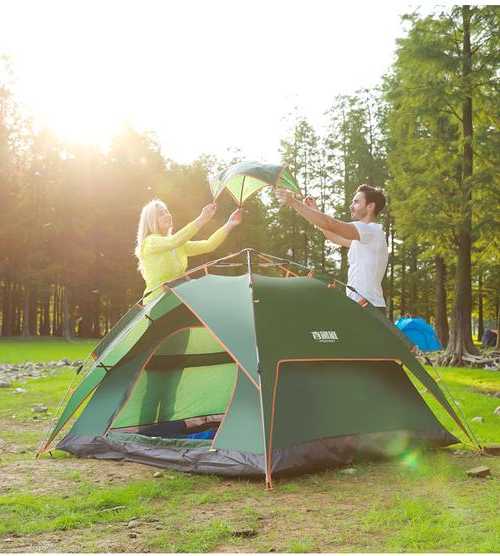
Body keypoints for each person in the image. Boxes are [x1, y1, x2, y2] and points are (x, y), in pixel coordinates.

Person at [276, 184, 388, 311]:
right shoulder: (364, 238)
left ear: (370, 206)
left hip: (369, 307)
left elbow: (330, 224)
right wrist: (315, 211)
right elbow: (332, 236)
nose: (351, 206)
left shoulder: (370, 231)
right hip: (360, 306)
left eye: (356, 202)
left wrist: (293, 202)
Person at [135, 199, 241, 303]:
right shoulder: (150, 242)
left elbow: (208, 245)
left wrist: (229, 224)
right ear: (151, 221)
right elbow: (174, 241)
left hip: (178, 298)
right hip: (157, 304)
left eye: (166, 211)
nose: (167, 215)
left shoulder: (178, 244)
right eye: (161, 214)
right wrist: (202, 218)